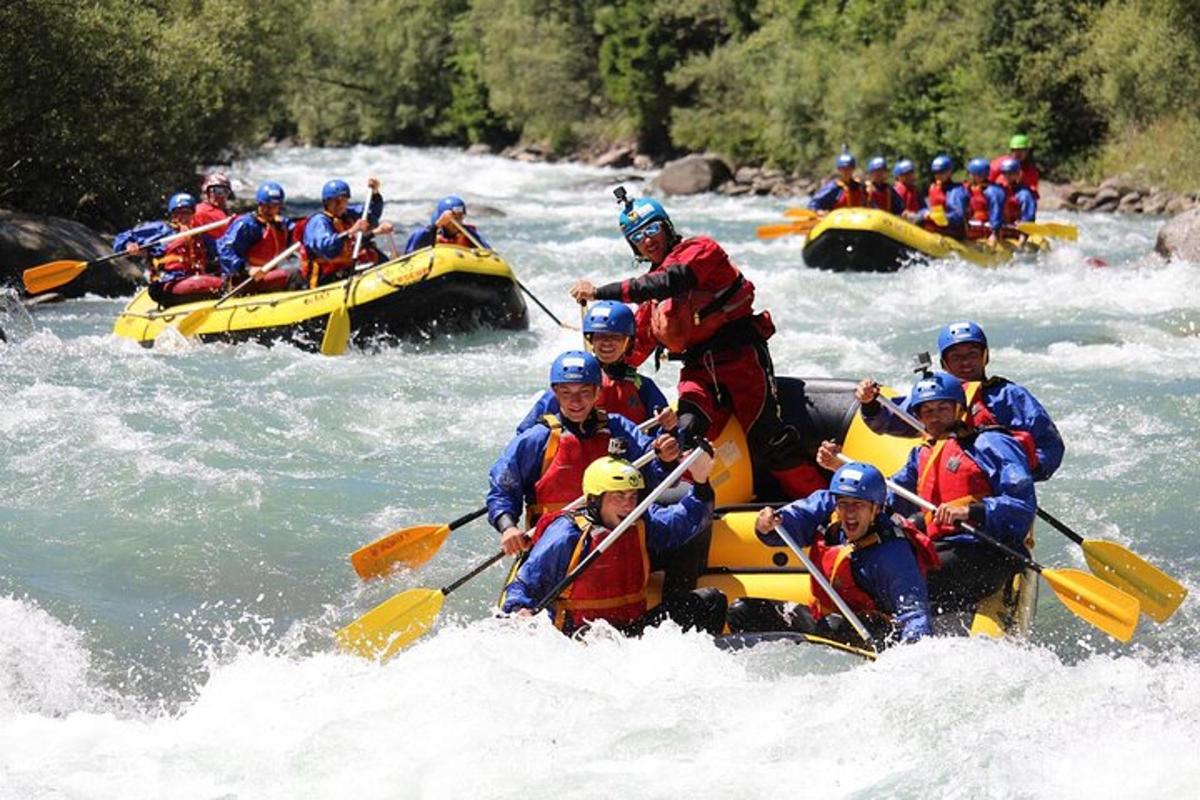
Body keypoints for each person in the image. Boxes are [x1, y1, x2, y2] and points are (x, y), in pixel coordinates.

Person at [569, 193, 827, 501]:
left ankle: (823, 504)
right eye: (637, 237)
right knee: (685, 433)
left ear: (666, 226)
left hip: (742, 361)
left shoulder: (701, 250)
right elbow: (632, 351)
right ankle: (692, 510)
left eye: (652, 230)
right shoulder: (651, 303)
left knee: (769, 442)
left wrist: (599, 291)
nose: (647, 240)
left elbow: (671, 280)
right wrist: (596, 367)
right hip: (698, 373)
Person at [829, 372, 1036, 612]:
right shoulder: (923, 454)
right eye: (927, 411)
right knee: (871, 564)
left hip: (986, 550)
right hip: (941, 546)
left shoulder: (992, 444)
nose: (935, 417)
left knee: (898, 576)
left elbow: (1022, 507)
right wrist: (839, 468)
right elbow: (888, 494)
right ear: (917, 416)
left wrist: (970, 511)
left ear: (959, 409)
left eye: (942, 408)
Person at [501, 452, 727, 636]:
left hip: (630, 634)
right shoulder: (566, 534)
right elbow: (523, 586)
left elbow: (683, 523)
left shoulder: (638, 521)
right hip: (580, 640)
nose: (628, 506)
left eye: (632, 496)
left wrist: (700, 480)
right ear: (594, 500)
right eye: (618, 496)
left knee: (710, 601)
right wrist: (519, 611)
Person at [488, 350, 682, 557]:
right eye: (566, 393)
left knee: (690, 521)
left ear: (598, 392)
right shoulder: (537, 439)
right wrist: (508, 526)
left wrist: (667, 459)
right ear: (555, 393)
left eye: (584, 392)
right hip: (554, 546)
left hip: (614, 535)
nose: (576, 401)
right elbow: (504, 487)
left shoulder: (618, 427)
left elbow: (655, 475)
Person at [727, 461, 936, 646]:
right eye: (843, 504)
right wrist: (768, 525)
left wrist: (911, 656)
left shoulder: (894, 554)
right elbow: (792, 521)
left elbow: (914, 615)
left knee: (833, 626)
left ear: (876, 509)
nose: (849, 512)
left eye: (858, 505)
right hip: (824, 620)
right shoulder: (826, 510)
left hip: (873, 635)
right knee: (742, 611)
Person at [856, 321, 1064, 482]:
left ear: (985, 357)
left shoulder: (1009, 395)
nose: (965, 362)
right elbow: (888, 420)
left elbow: (1049, 446)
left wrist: (1017, 476)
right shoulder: (933, 395)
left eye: (972, 354)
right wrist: (870, 404)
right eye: (956, 357)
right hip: (946, 481)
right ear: (944, 364)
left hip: (998, 490)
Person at [516, 300, 670, 432]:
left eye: (615, 337)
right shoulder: (571, 382)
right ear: (591, 341)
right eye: (600, 336)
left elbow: (667, 434)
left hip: (627, 460)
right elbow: (526, 430)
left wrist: (669, 425)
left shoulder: (642, 387)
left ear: (628, 341)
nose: (607, 342)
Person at [113, 193, 223, 306]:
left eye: (186, 212)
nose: (182, 217)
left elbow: (221, 249)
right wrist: (129, 244)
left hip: (193, 281)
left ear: (192, 214)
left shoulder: (199, 235)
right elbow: (122, 237)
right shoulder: (162, 230)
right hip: (166, 285)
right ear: (172, 215)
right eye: (177, 212)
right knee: (209, 283)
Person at [301, 177, 394, 287]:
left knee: (374, 254)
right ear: (326, 202)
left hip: (345, 272)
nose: (340, 205)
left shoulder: (348, 215)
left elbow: (371, 215)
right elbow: (328, 249)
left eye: (343, 200)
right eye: (335, 201)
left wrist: (375, 193)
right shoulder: (319, 222)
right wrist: (351, 231)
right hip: (324, 280)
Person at [216, 181, 297, 293]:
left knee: (297, 271)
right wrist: (247, 269)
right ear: (259, 204)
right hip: (245, 278)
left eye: (274, 206)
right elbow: (225, 251)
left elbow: (299, 233)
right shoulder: (246, 225)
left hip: (267, 275)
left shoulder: (282, 224)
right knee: (292, 274)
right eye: (266, 206)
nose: (270, 210)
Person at [404, 195, 490, 253]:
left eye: (460, 217)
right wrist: (437, 225)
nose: (457, 221)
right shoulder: (429, 233)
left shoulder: (469, 234)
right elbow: (415, 249)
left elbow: (486, 251)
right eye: (453, 218)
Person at [914, 155, 966, 237]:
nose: (938, 175)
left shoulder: (957, 190)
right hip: (936, 228)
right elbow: (929, 208)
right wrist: (924, 213)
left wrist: (938, 216)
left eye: (942, 172)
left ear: (949, 172)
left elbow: (958, 216)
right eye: (936, 172)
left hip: (952, 230)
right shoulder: (933, 188)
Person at [998, 158, 1038, 227]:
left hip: (1018, 225)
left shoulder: (1024, 193)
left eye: (1010, 173)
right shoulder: (999, 188)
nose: (1007, 176)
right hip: (1002, 223)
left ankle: (1023, 234)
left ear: (1017, 174)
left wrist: (1024, 223)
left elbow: (1029, 210)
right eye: (1005, 173)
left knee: (1026, 196)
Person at [193, 172, 235, 237]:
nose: (221, 196)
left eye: (225, 191)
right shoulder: (201, 211)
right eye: (217, 190)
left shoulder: (225, 213)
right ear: (206, 191)